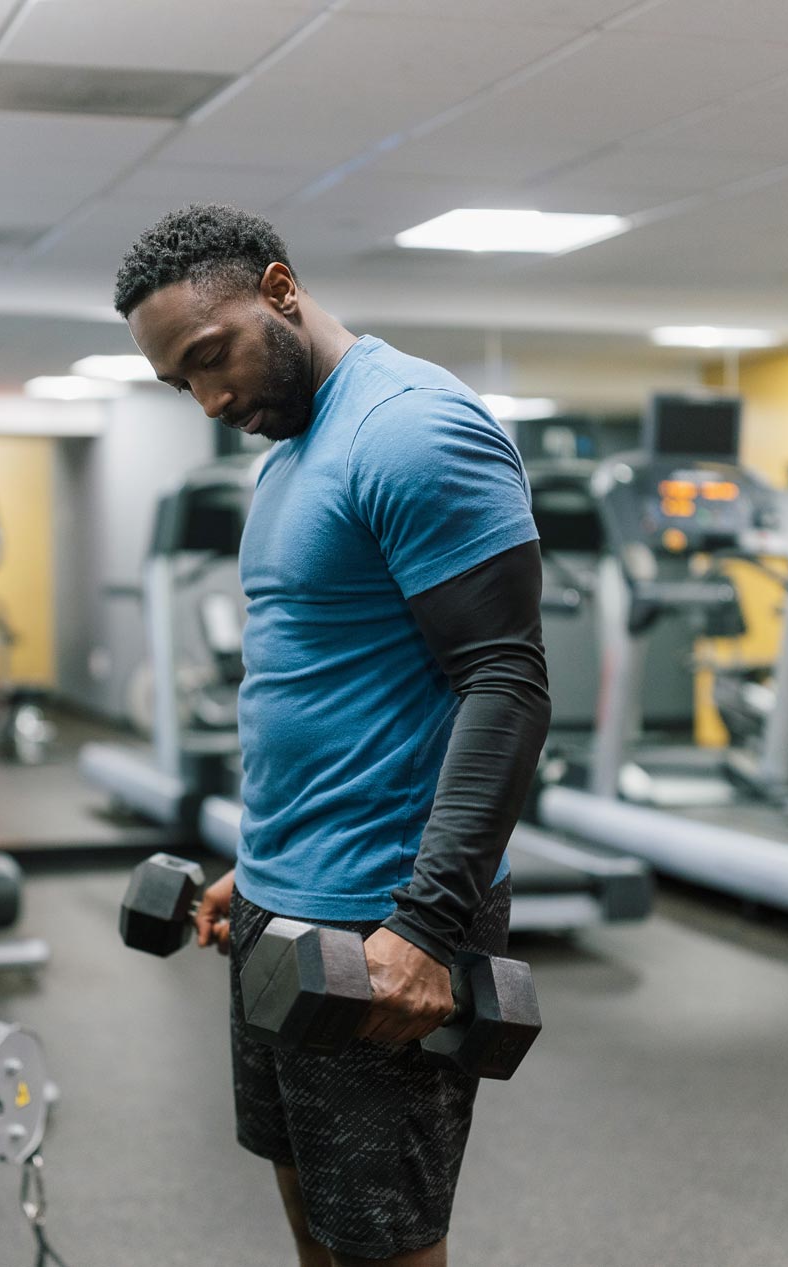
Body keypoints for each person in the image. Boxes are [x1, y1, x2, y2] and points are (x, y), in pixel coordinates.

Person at [113, 204, 551, 1266]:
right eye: (183, 383)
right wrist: (255, 869)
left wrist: (427, 927)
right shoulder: (297, 450)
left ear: (277, 289)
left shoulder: (410, 428)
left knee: (385, 1244)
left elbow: (505, 684)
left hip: (381, 923)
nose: (211, 399)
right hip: (284, 899)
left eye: (211, 358)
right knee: (311, 1209)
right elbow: (324, 687)